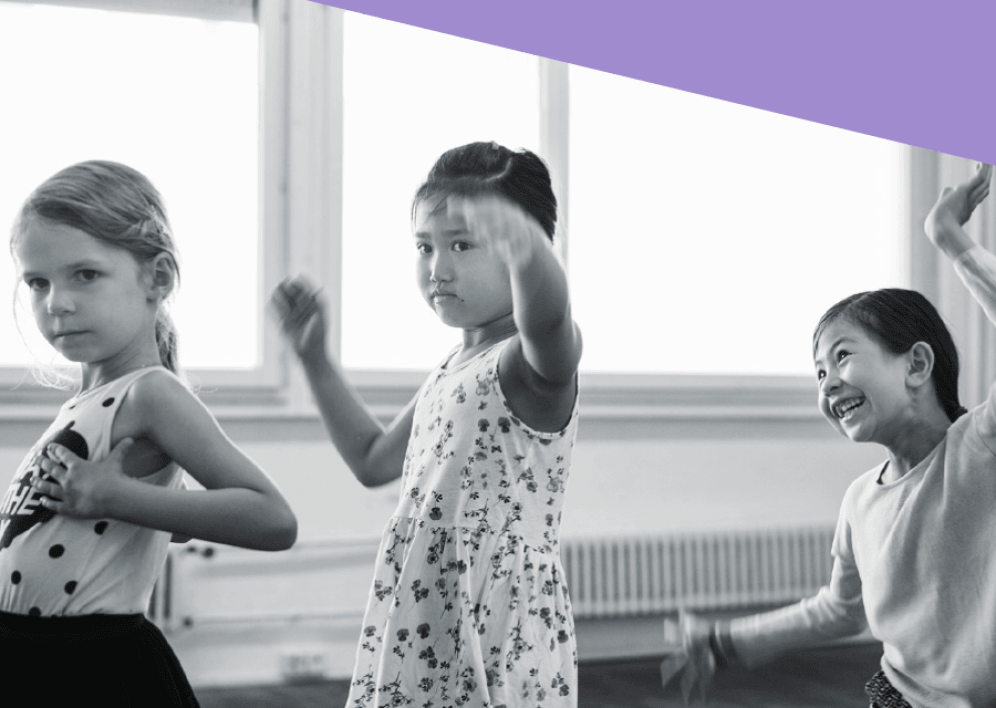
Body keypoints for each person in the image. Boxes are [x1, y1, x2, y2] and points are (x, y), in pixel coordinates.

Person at [662, 163, 996, 707]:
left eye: (843, 356)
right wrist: (725, 641)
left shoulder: (980, 446)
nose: (829, 383)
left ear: (916, 364)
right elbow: (839, 609)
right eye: (819, 372)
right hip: (899, 698)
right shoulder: (860, 502)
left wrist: (949, 238)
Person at [271, 142, 583, 707]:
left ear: (522, 249)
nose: (438, 268)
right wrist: (314, 359)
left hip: (496, 616)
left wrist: (526, 248)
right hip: (428, 605)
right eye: (425, 246)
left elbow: (551, 317)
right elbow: (372, 460)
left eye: (463, 244)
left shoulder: (528, 363)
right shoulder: (451, 370)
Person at [0, 160, 298, 706]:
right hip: (26, 653)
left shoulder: (151, 393)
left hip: (90, 663)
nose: (56, 303)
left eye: (85, 274)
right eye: (37, 282)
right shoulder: (85, 401)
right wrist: (151, 506)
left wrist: (120, 496)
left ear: (156, 278)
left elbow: (273, 519)